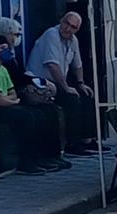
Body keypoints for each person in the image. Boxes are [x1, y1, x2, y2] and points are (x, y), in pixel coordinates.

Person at [0, 34, 66, 175]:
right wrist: (13, 101)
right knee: (27, 118)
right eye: (1, 48)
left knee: (42, 113)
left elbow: (12, 92)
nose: (6, 50)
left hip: (8, 105)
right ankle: (26, 162)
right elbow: (0, 100)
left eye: (6, 47)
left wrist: (12, 100)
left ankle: (46, 157)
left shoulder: (3, 68)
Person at [30, 11, 99, 154]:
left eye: (73, 27)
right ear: (61, 20)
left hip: (55, 82)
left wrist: (80, 83)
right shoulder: (51, 35)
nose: (68, 29)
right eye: (66, 23)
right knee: (71, 99)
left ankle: (87, 139)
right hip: (39, 81)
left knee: (86, 94)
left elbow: (77, 64)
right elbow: (52, 65)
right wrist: (66, 87)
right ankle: (72, 144)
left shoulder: (73, 40)